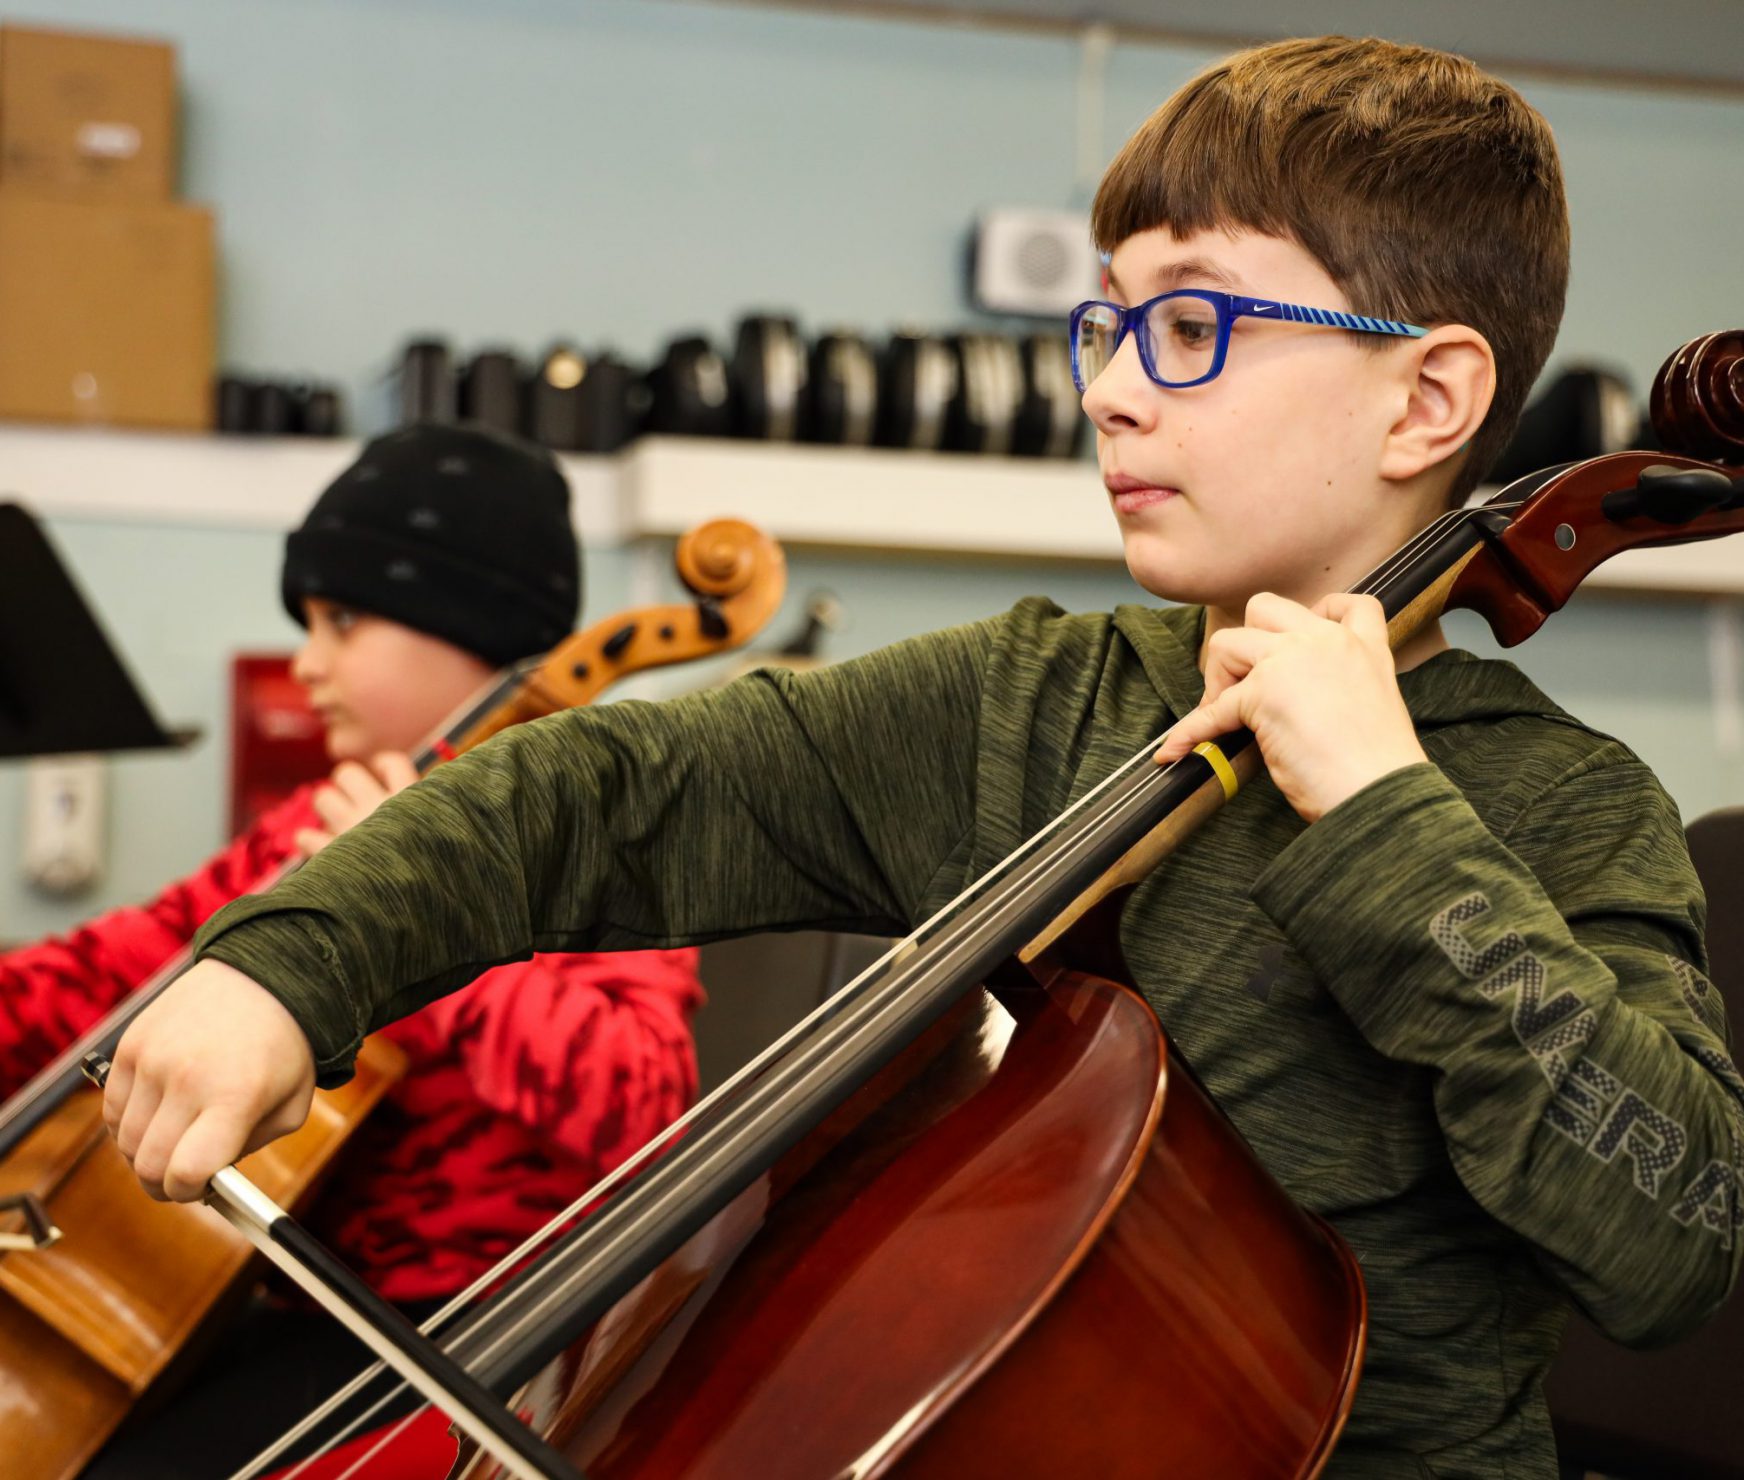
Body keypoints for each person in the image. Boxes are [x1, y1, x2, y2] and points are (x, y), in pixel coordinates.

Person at [102, 37, 1742, 1479]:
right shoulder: (1023, 705)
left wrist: (1384, 819)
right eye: (1098, 330)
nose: (1107, 393)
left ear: (1423, 401)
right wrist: (290, 964)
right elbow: (596, 796)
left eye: (1184, 329)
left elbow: (1671, 1246)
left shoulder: (1559, 808)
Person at [0, 424, 704, 1476]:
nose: (307, 662)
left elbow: (638, 1098)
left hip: (476, 1335)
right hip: (287, 1295)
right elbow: (105, 983)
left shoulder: (593, 828)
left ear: (472, 630)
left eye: (341, 620)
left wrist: (418, 904)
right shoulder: (312, 826)